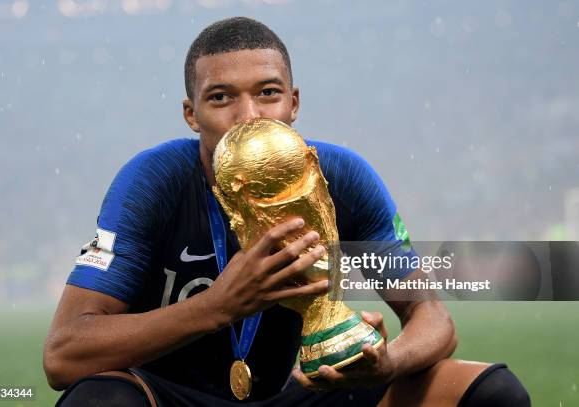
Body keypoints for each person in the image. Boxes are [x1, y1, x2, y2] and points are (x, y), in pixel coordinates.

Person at [44, 17, 530, 406]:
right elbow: (64, 353)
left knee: (493, 393)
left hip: (304, 393)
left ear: (292, 103)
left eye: (268, 93)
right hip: (172, 397)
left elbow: (433, 318)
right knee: (98, 401)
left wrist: (387, 362)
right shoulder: (153, 181)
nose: (249, 116)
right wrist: (217, 307)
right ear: (191, 114)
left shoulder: (343, 177)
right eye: (221, 98)